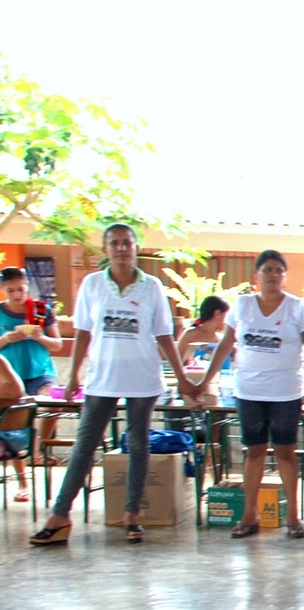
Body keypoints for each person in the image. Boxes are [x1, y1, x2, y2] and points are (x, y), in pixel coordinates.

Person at [31, 225, 199, 545]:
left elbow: (164, 336)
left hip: (142, 378)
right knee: (84, 446)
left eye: (127, 243)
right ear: (106, 249)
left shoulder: (152, 287)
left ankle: (132, 515)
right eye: (115, 243)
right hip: (102, 380)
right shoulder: (93, 285)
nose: (122, 248)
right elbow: (83, 333)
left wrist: (183, 378)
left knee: (138, 445)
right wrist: (73, 376)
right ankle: (60, 515)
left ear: (136, 248)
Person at [185, 250, 304, 540]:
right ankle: (250, 515)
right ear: (257, 275)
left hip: (285, 392)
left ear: (285, 277)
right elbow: (225, 345)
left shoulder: (297, 307)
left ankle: (293, 516)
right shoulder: (243, 305)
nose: (273, 275)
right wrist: (203, 383)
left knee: (285, 452)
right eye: (267, 269)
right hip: (249, 392)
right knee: (255, 450)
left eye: (278, 270)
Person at [1, 266, 63, 502]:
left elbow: (57, 345)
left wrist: (39, 336)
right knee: (13, 424)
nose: (17, 294)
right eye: (11, 290)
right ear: (3, 289)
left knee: (54, 403)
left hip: (40, 370)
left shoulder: (40, 310)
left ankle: (39, 448)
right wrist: (7, 338)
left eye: (21, 289)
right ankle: (23, 483)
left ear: (27, 287)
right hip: (10, 374)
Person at [174, 295, 231, 378]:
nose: (229, 320)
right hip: (195, 381)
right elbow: (177, 362)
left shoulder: (223, 338)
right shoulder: (189, 335)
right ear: (217, 313)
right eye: (227, 316)